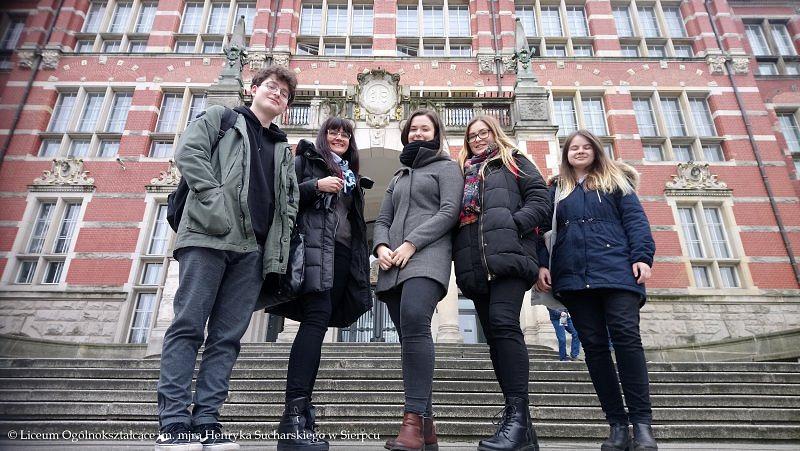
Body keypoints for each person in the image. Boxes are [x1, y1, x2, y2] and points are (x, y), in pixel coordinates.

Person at [155, 66, 299, 451]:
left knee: (226, 340)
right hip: (208, 237)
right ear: (254, 89)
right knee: (188, 326)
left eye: (285, 94)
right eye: (272, 87)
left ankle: (207, 420)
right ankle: (173, 422)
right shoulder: (222, 118)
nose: (278, 95)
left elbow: (287, 203)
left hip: (252, 251)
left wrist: (278, 247)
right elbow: (188, 152)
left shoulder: (281, 147)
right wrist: (214, 200)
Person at [535, 129, 657, 451]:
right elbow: (541, 231)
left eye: (586, 146)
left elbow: (636, 222)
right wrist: (541, 264)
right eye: (573, 147)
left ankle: (642, 424)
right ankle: (617, 425)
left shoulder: (616, 182)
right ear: (566, 154)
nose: (579, 151)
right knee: (595, 349)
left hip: (617, 273)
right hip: (574, 279)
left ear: (596, 151)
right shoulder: (556, 190)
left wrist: (642, 257)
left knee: (627, 338)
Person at [270, 117, 373, 451]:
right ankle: (293, 418)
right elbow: (281, 198)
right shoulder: (306, 161)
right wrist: (316, 186)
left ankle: (301, 415)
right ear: (322, 136)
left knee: (318, 323)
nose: (339, 136)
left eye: (345, 133)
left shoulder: (351, 176)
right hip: (314, 250)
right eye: (333, 131)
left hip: (340, 256)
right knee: (314, 324)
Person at [453, 115, 549, 451]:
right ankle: (522, 428)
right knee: (495, 337)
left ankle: (516, 419)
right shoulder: (463, 172)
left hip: (509, 258)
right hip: (475, 265)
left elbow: (541, 200)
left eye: (484, 133)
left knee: (504, 324)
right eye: (473, 135)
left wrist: (514, 224)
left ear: (496, 134)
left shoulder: (514, 160)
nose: (478, 139)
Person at [374, 108, 463, 451]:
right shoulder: (399, 176)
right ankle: (427, 428)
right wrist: (381, 246)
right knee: (409, 339)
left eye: (425, 129)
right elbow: (383, 219)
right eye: (413, 129)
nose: (418, 134)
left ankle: (411, 423)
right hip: (392, 263)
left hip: (427, 256)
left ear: (436, 133)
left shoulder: (447, 167)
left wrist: (412, 242)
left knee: (414, 320)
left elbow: (449, 211)